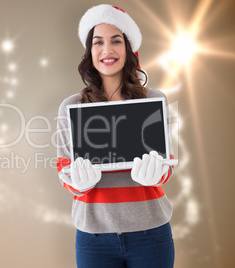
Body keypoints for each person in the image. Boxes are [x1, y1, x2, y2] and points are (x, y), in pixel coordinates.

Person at [56, 4, 176, 268]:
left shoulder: (154, 100)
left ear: (129, 49)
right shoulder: (72, 107)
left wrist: (158, 173)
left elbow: (169, 163)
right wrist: (78, 183)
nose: (107, 50)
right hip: (94, 237)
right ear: (90, 51)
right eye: (98, 42)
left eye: (116, 41)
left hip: (151, 234)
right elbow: (63, 167)